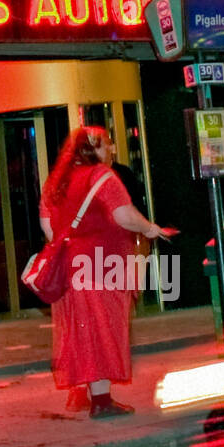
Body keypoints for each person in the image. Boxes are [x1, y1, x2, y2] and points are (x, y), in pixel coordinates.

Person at [39, 127, 176, 419]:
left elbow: (48, 226)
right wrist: (150, 228)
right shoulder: (102, 176)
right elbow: (123, 215)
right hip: (102, 267)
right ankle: (101, 401)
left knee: (79, 331)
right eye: (107, 145)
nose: (112, 150)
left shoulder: (56, 181)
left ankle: (81, 393)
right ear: (93, 149)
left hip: (70, 269)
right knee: (102, 331)